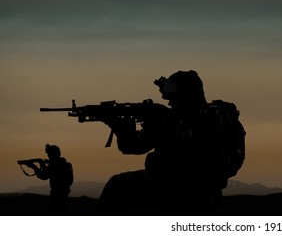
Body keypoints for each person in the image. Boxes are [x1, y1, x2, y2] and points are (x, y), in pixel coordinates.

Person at [97, 70, 244, 215]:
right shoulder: (216, 117)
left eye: (173, 99)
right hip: (205, 194)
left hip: (178, 193)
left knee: (117, 185)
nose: (170, 103)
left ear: (184, 97)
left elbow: (134, 146)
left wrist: (123, 128)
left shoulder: (180, 123)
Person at [32, 144, 74, 215]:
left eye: (50, 154)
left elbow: (44, 176)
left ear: (54, 154)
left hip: (57, 194)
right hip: (62, 194)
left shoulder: (56, 165)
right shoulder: (63, 164)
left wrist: (35, 168)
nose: (48, 156)